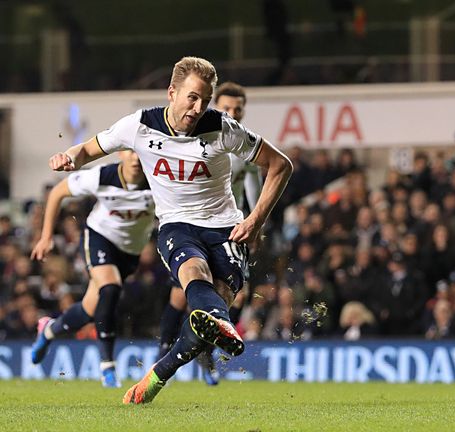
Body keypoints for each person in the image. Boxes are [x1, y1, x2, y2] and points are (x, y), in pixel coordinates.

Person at [47, 56, 293, 404]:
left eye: (205, 100)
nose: (198, 107)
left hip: (225, 227)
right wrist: (69, 157)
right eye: (192, 97)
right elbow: (89, 148)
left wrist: (255, 221)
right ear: (171, 92)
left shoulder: (222, 128)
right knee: (194, 274)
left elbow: (280, 164)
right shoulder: (139, 125)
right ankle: (214, 326)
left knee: (209, 310)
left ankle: (161, 370)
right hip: (177, 225)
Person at [156, 81, 263, 386]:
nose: (232, 113)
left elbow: (254, 199)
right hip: (190, 228)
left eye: (237, 110)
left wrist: (256, 227)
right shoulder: (194, 140)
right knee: (182, 296)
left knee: (234, 302)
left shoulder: (245, 150)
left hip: (229, 232)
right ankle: (162, 354)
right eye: (226, 108)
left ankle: (204, 353)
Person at [29, 150, 154, 388]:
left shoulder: (158, 181)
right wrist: (46, 236)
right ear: (120, 153)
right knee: (110, 288)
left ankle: (49, 330)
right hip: (99, 237)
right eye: (130, 151)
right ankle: (107, 366)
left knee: (90, 310)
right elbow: (57, 192)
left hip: (130, 252)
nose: (136, 158)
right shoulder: (102, 176)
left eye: (140, 152)